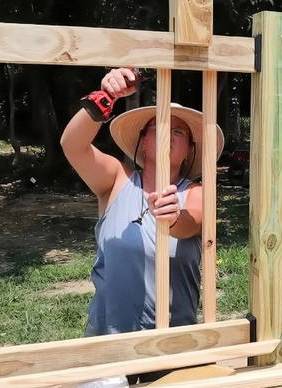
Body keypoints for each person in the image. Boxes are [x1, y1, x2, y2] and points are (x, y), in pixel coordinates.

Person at [60, 67, 224, 335]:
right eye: (157, 126)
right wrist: (106, 96)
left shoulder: (196, 191)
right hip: (108, 340)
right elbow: (73, 146)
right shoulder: (116, 181)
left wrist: (173, 217)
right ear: (143, 143)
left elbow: (191, 222)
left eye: (179, 132)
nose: (167, 132)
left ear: (189, 151)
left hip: (173, 342)